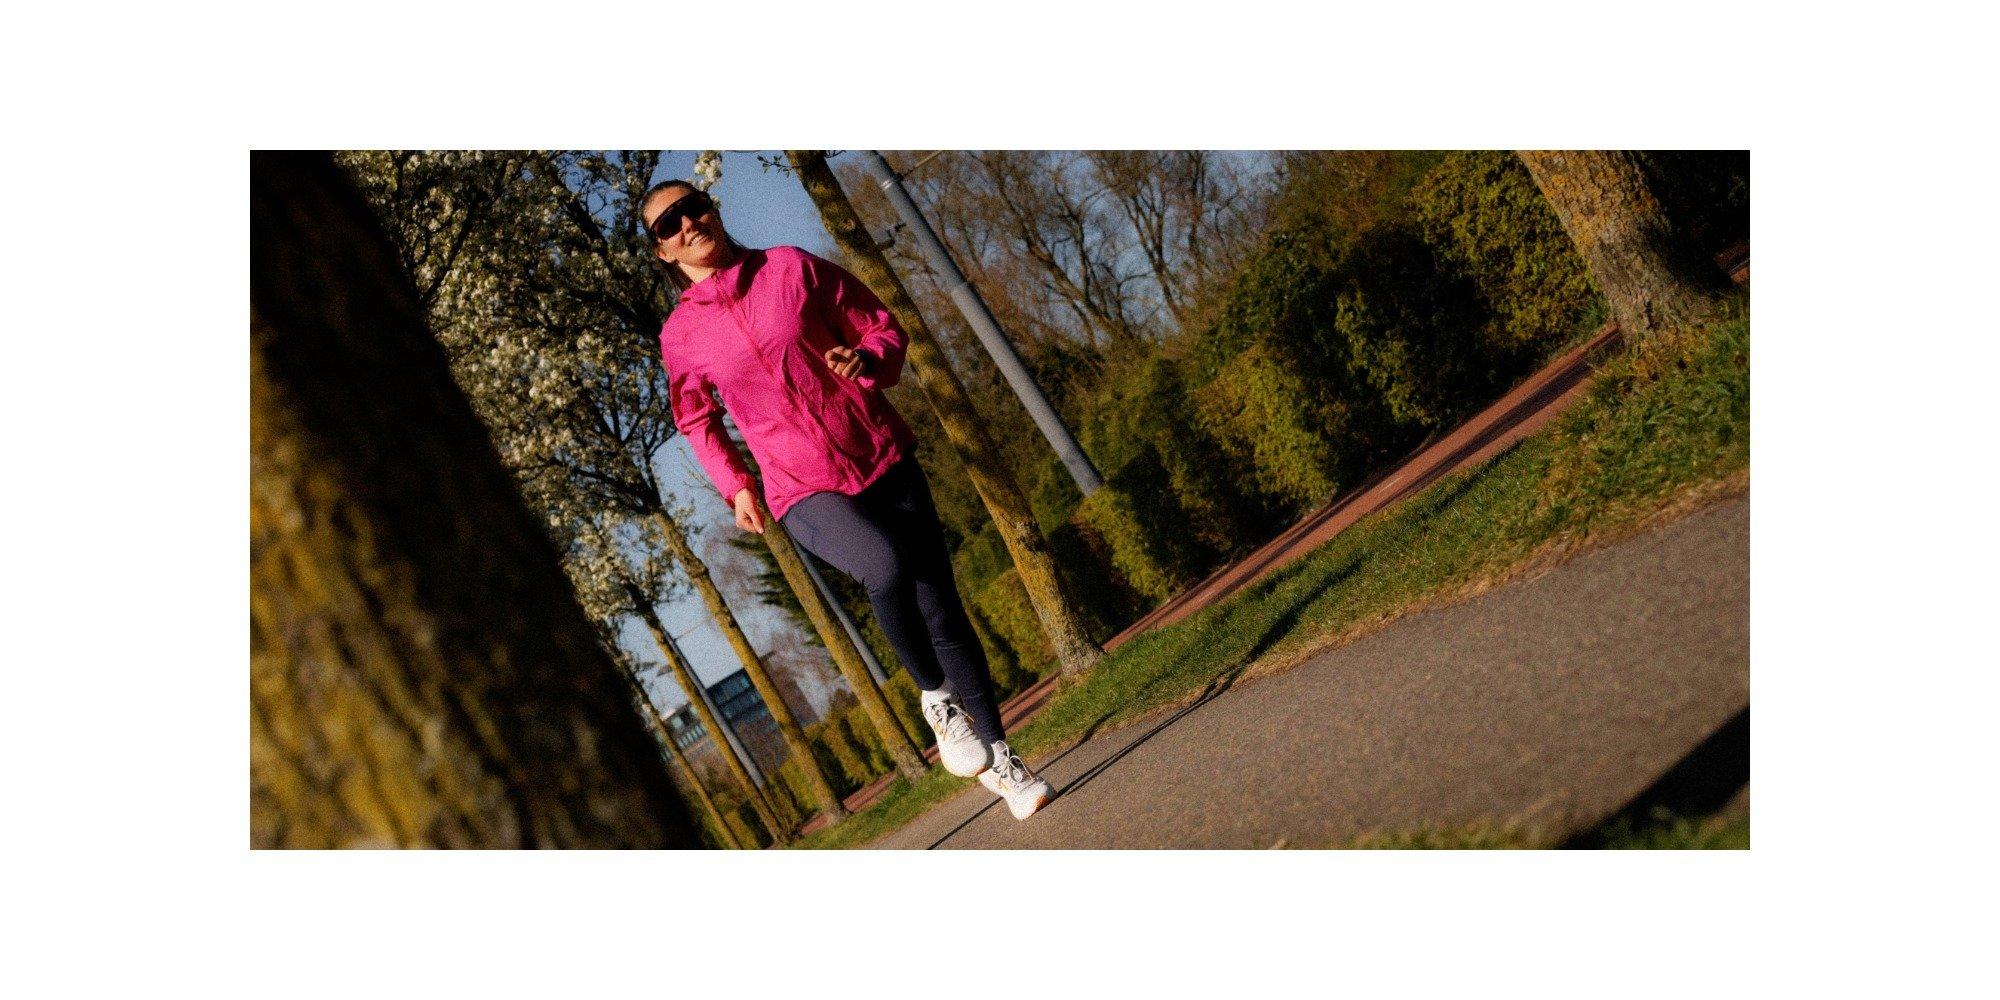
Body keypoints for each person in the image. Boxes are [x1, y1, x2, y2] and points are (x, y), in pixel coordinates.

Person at [643, 179, 1052, 820]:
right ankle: (936, 697)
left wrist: (866, 358)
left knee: (941, 610)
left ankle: (1002, 758)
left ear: (712, 209)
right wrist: (735, 483)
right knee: (882, 567)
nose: (687, 223)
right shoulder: (682, 335)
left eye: (692, 207)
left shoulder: (790, 268)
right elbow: (695, 418)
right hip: (800, 486)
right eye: (669, 224)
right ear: (663, 251)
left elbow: (879, 326)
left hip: (881, 452)